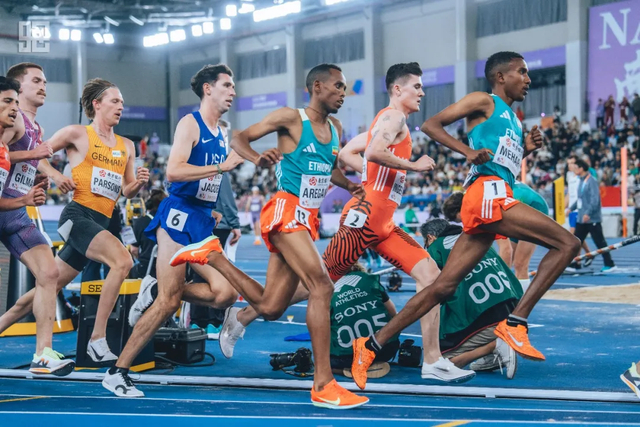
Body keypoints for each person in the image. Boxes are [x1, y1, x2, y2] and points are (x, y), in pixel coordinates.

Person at [350, 51, 581, 390]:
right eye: (522, 72)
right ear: (500, 76)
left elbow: (499, 162)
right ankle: (515, 323)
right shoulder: (484, 101)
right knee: (568, 243)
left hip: (491, 194)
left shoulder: (514, 120)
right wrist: (467, 152)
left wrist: (525, 149)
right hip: (487, 194)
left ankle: (370, 345)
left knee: (442, 287)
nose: (528, 79)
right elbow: (432, 124)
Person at [170, 63, 370, 409]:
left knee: (271, 307)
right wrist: (257, 159)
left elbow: (328, 168)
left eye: (344, 88)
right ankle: (323, 384)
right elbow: (239, 138)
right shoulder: (291, 118)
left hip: (307, 219)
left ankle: (214, 257)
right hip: (285, 210)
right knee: (322, 286)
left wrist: (349, 185)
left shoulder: (335, 128)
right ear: (317, 86)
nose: (342, 93)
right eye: (337, 86)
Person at [322, 63, 473, 383]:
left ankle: (433, 360)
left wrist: (371, 176)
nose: (422, 93)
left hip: (384, 224)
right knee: (316, 284)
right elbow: (374, 151)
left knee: (431, 276)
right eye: (416, 87)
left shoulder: (385, 120)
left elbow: (348, 152)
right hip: (364, 219)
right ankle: (246, 314)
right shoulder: (394, 118)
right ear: (397, 89)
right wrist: (412, 165)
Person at [102, 64, 244, 397]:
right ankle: (117, 372)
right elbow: (174, 171)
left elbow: (206, 181)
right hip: (178, 219)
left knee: (225, 293)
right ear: (208, 89)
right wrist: (220, 166)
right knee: (169, 303)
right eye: (227, 85)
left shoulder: (220, 132)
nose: (233, 91)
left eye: (233, 86)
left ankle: (153, 289)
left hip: (201, 220)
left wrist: (210, 207)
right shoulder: (190, 124)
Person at [0, 64, 76, 376]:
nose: (43, 86)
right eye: (36, 81)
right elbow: (2, 152)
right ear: (18, 88)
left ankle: (43, 354)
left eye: (45, 81)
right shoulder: (13, 119)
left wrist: (35, 179)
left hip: (14, 212)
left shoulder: (36, 128)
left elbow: (16, 164)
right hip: (8, 204)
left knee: (49, 272)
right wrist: (33, 157)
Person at [423, 218, 520, 379]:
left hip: (487, 317)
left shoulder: (436, 248)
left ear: (430, 237)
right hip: (514, 314)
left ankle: (494, 346)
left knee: (439, 361)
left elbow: (433, 293)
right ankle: (492, 354)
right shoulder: (476, 239)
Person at [329, 263, 398, 377]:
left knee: (324, 357)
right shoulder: (370, 279)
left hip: (347, 358)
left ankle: (346, 370)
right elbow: (393, 313)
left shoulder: (328, 290)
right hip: (384, 350)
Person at [496, 181, 549, 291]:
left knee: (520, 263)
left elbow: (506, 250)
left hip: (535, 210)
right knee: (508, 260)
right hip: (517, 209)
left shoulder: (490, 209)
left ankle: (521, 299)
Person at [567, 158, 616, 272]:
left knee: (600, 242)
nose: (574, 170)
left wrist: (588, 213)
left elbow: (595, 200)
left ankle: (610, 264)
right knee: (576, 241)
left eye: (576, 168)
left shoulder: (591, 181)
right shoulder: (581, 181)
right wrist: (571, 208)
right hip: (582, 219)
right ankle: (574, 264)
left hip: (591, 219)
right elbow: (580, 199)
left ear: (581, 168)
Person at [566, 156, 591, 267]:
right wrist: (568, 207)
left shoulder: (581, 178)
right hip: (572, 209)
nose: (570, 165)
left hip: (579, 209)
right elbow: (569, 193)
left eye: (572, 163)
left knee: (574, 236)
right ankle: (588, 254)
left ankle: (577, 260)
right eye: (568, 163)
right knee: (578, 236)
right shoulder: (569, 176)